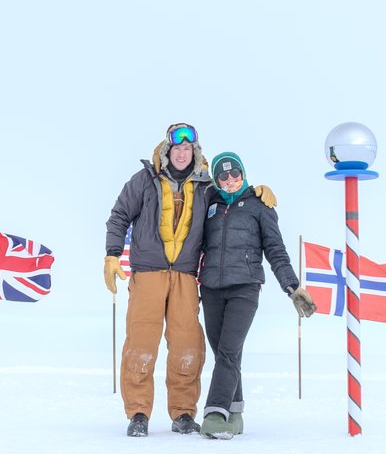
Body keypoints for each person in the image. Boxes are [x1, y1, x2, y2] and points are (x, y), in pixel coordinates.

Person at [104, 124, 276, 437]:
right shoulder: (143, 181)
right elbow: (119, 216)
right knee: (141, 344)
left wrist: (255, 193)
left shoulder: (205, 186)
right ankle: (139, 412)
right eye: (176, 148)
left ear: (194, 153)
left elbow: (230, 193)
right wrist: (112, 254)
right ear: (166, 151)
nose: (182, 153)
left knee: (187, 346)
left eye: (188, 149)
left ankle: (183, 412)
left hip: (185, 276)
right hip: (148, 274)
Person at [197, 151, 317, 440]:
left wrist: (292, 287)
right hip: (211, 288)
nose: (230, 180)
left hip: (245, 288)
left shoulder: (259, 205)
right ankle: (235, 414)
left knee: (228, 350)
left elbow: (276, 250)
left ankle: (215, 413)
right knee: (225, 354)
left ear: (243, 173)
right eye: (222, 175)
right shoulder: (208, 203)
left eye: (235, 173)